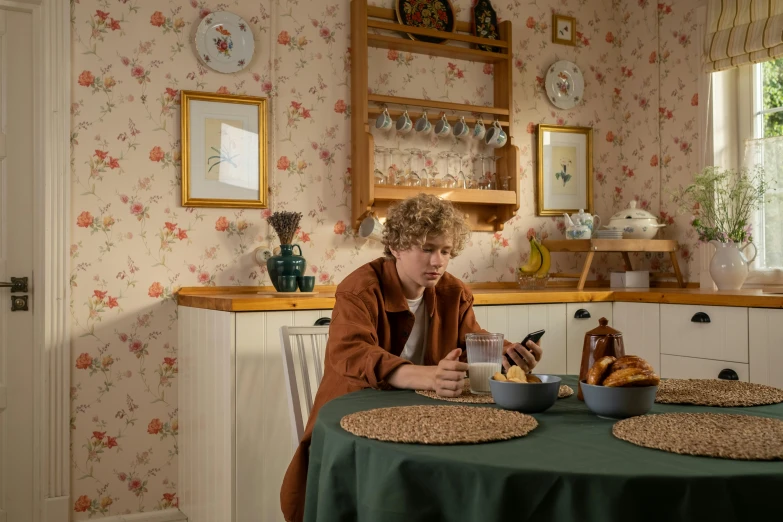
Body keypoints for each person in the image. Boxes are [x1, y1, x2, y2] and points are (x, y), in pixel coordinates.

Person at [280, 194, 543, 522]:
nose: (438, 261)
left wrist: (511, 356)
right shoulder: (360, 288)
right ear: (396, 247)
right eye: (427, 249)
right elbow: (352, 353)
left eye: (446, 251)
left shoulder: (453, 293)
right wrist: (429, 376)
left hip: (426, 420)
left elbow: (473, 343)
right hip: (356, 418)